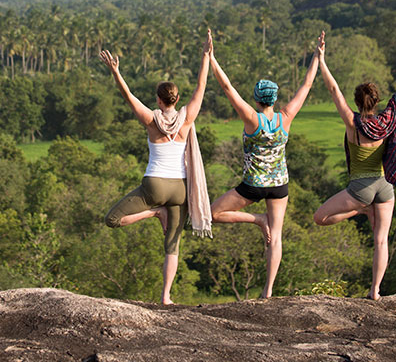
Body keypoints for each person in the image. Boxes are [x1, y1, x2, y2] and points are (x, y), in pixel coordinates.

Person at [100, 31, 213, 305]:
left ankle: (153, 213)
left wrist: (116, 71)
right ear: (176, 99)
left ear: (160, 100)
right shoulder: (187, 117)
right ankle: (166, 297)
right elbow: (201, 86)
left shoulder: (151, 118)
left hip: (154, 186)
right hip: (180, 189)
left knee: (112, 220)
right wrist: (206, 56)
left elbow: (127, 95)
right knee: (172, 246)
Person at [209, 31, 323, 299]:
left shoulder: (252, 119)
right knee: (278, 236)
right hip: (279, 185)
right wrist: (317, 57)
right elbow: (306, 86)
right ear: (274, 99)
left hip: (252, 186)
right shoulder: (286, 117)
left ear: (258, 99)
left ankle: (258, 220)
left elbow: (227, 88)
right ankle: (268, 291)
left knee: (213, 214)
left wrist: (212, 58)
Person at [313, 38, 396, 300]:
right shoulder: (387, 119)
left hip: (359, 190)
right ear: (376, 101)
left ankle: (361, 211)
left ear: (357, 102)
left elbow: (333, 89)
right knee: (381, 240)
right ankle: (375, 291)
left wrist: (321, 60)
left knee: (320, 218)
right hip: (385, 187)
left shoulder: (353, 123)